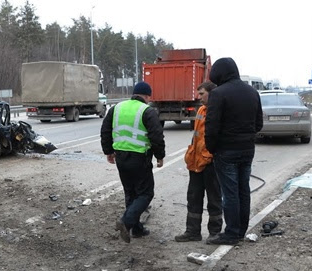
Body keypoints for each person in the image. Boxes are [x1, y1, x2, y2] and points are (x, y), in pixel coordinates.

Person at [204, 57, 263, 245]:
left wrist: (212, 148)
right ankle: (240, 230)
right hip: (247, 150)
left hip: (226, 151)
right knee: (243, 190)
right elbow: (259, 124)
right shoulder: (252, 92)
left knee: (229, 193)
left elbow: (211, 126)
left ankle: (231, 233)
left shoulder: (218, 94)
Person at [100, 81, 165, 243]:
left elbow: (105, 130)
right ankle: (126, 222)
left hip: (121, 157)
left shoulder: (116, 108)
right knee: (145, 193)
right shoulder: (147, 111)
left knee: (131, 193)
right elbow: (156, 136)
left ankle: (136, 229)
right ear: (146, 96)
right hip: (140, 158)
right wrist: (159, 156)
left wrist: (108, 151)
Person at [175, 81, 223, 243]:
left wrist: (210, 157)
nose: (198, 97)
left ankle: (215, 232)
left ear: (212, 93)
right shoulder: (201, 110)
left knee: (214, 199)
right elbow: (197, 137)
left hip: (211, 163)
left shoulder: (218, 111)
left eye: (202, 93)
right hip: (195, 162)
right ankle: (192, 231)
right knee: (193, 197)